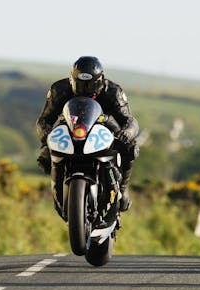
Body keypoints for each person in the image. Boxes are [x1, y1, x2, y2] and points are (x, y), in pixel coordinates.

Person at [36, 56, 139, 211]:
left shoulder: (113, 91)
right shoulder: (59, 90)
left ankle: (123, 189)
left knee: (130, 147)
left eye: (90, 85)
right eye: (80, 84)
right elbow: (44, 119)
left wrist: (127, 133)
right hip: (71, 126)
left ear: (100, 80)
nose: (85, 89)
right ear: (72, 79)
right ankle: (59, 191)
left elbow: (129, 120)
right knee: (45, 156)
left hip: (104, 126)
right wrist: (46, 133)